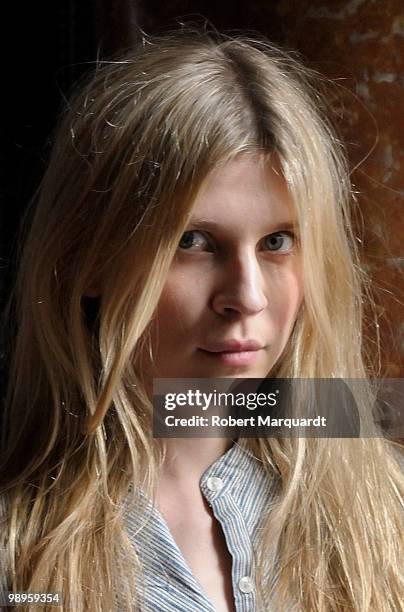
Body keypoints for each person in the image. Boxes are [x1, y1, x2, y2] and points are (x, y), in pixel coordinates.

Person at [0, 27, 403, 612]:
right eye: (193, 241)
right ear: (86, 262)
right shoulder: (21, 560)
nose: (247, 296)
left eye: (277, 242)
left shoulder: (385, 519)